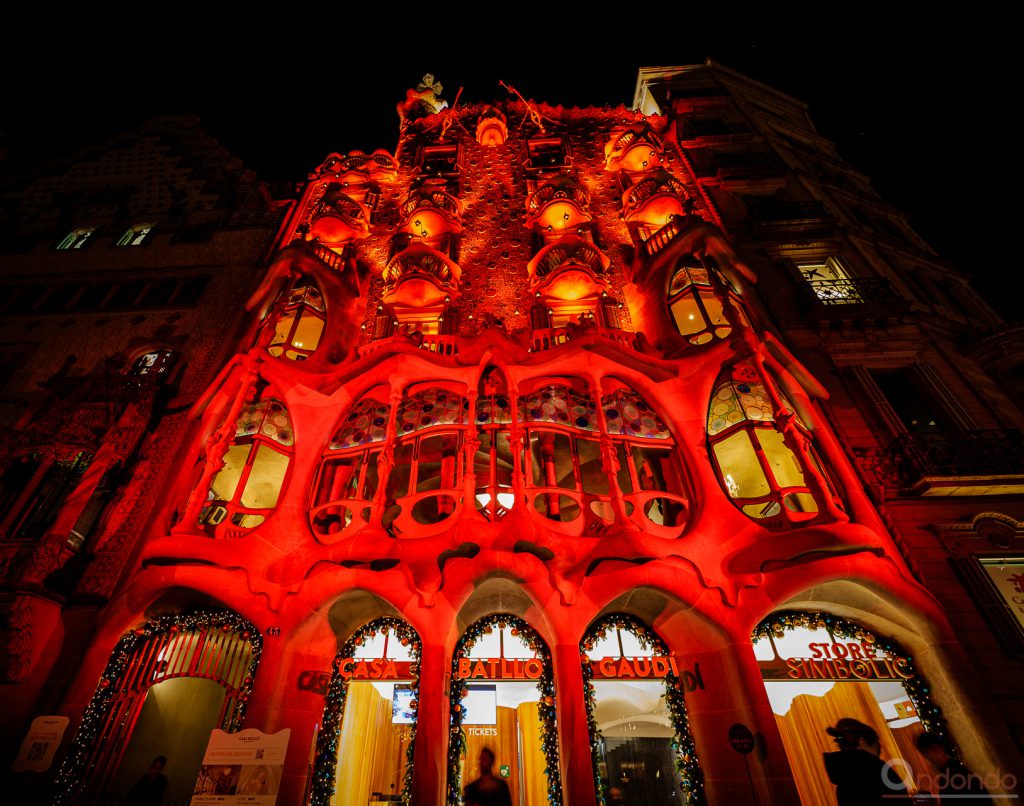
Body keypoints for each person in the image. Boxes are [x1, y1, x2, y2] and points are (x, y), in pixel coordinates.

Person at [822, 718, 908, 805]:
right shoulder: (879, 773)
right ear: (863, 743)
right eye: (876, 753)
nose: (877, 759)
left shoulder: (843, 782)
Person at [915, 732, 989, 802]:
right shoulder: (957, 770)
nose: (928, 761)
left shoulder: (951, 776)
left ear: (937, 748)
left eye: (926, 754)